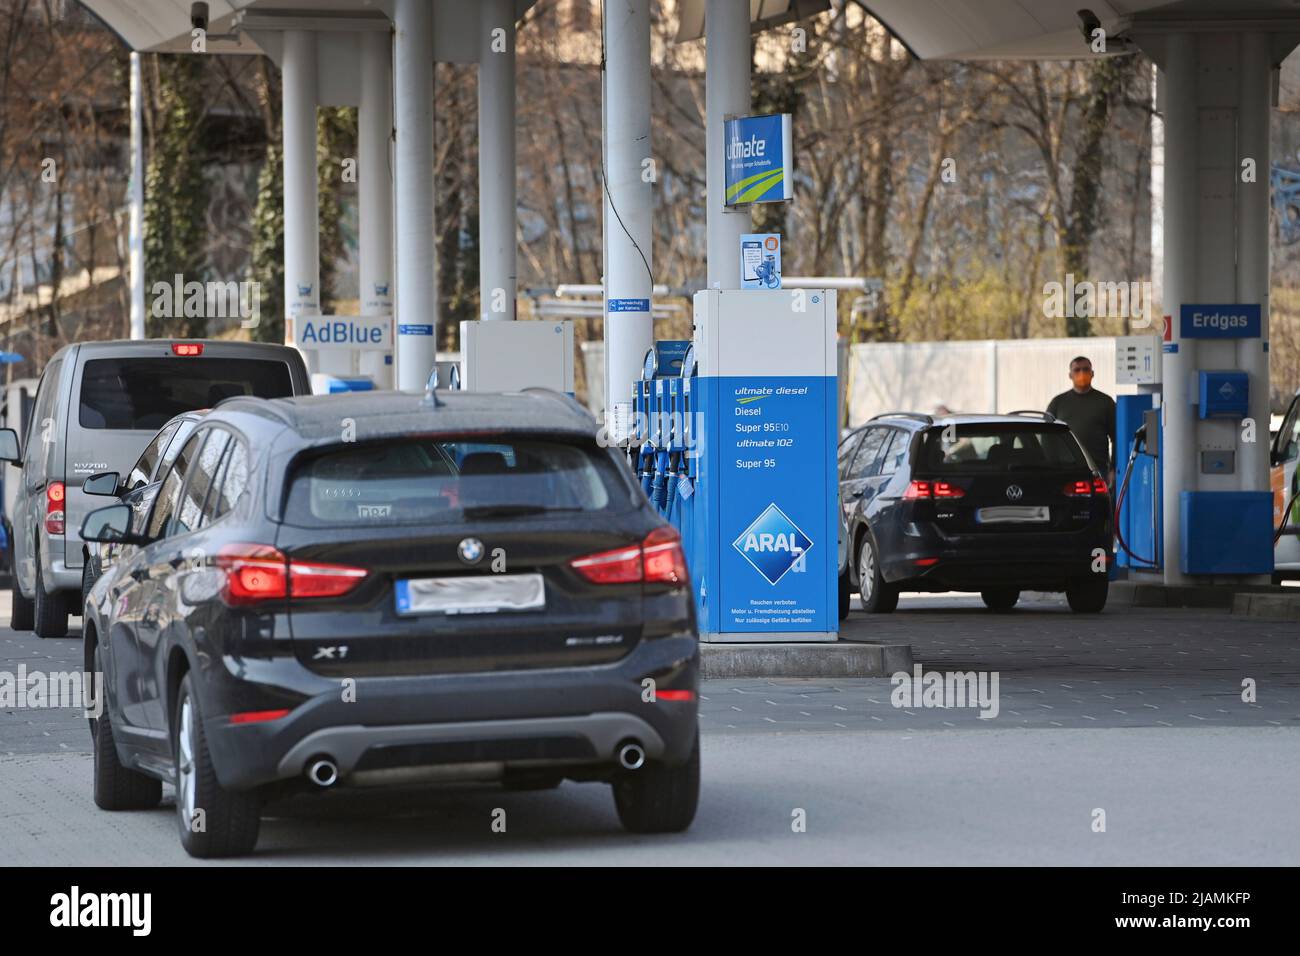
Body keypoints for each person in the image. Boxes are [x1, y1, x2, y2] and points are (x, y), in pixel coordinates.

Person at [1047, 356, 1116, 483]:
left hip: (1098, 468)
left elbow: (1116, 437)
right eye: (1077, 370)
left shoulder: (1106, 402)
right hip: (1065, 468)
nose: (1081, 373)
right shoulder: (1058, 403)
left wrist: (1114, 469)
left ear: (1092, 373)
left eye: (1085, 369)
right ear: (1070, 375)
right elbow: (1046, 439)